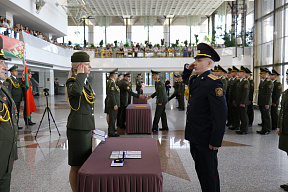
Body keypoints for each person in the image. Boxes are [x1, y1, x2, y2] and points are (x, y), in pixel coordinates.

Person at [182, 43, 227, 192]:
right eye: (195, 59)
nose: (195, 63)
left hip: (207, 138)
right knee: (201, 171)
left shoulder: (214, 82)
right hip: (195, 135)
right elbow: (185, 80)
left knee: (209, 173)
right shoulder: (196, 79)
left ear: (209, 63)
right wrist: (187, 69)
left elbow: (220, 114)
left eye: (199, 60)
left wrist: (216, 139)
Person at [66, 51, 95, 192]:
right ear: (81, 66)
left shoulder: (84, 81)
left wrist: (91, 126)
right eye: (88, 65)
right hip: (77, 130)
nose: (90, 68)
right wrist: (80, 74)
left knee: (84, 163)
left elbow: (88, 106)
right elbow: (77, 92)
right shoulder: (72, 82)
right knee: (76, 165)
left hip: (85, 127)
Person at [0, 49, 18, 192]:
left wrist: (13, 153)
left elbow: (11, 123)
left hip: (6, 154)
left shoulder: (3, 89)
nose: (5, 67)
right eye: (1, 63)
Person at [276, 69, 288, 191]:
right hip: (286, 128)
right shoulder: (286, 93)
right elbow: (282, 111)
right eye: (287, 76)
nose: (287, 78)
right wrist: (279, 126)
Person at [257, 68, 273, 135]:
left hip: (265, 103)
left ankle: (267, 129)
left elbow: (268, 94)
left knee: (266, 117)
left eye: (261, 74)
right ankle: (263, 129)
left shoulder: (269, 82)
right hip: (261, 102)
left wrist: (267, 103)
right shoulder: (262, 81)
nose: (260, 75)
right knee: (263, 116)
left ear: (265, 74)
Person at [6, 65, 23, 129]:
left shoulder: (17, 79)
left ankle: (16, 125)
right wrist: (10, 100)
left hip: (18, 99)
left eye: (17, 71)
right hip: (14, 100)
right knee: (13, 113)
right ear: (11, 72)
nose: (17, 72)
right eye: (15, 71)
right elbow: (9, 91)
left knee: (17, 113)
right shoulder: (9, 80)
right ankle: (13, 126)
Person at [235, 66, 250, 135]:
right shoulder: (239, 81)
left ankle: (245, 129)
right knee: (241, 115)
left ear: (243, 74)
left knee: (244, 116)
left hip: (242, 102)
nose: (238, 74)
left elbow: (245, 93)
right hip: (239, 101)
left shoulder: (245, 82)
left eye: (240, 73)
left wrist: (243, 102)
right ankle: (242, 128)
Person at [106, 68, 120, 137]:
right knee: (112, 118)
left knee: (113, 118)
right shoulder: (111, 83)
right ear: (114, 75)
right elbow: (112, 94)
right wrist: (114, 104)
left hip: (113, 103)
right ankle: (111, 132)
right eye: (116, 74)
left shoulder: (112, 82)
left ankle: (112, 130)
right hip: (112, 104)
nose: (117, 76)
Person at [228, 66, 240, 130]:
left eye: (233, 72)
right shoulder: (233, 80)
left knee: (236, 113)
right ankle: (234, 124)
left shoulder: (237, 80)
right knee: (233, 112)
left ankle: (237, 125)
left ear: (236, 73)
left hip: (234, 99)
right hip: (231, 99)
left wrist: (235, 99)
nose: (231, 73)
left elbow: (236, 91)